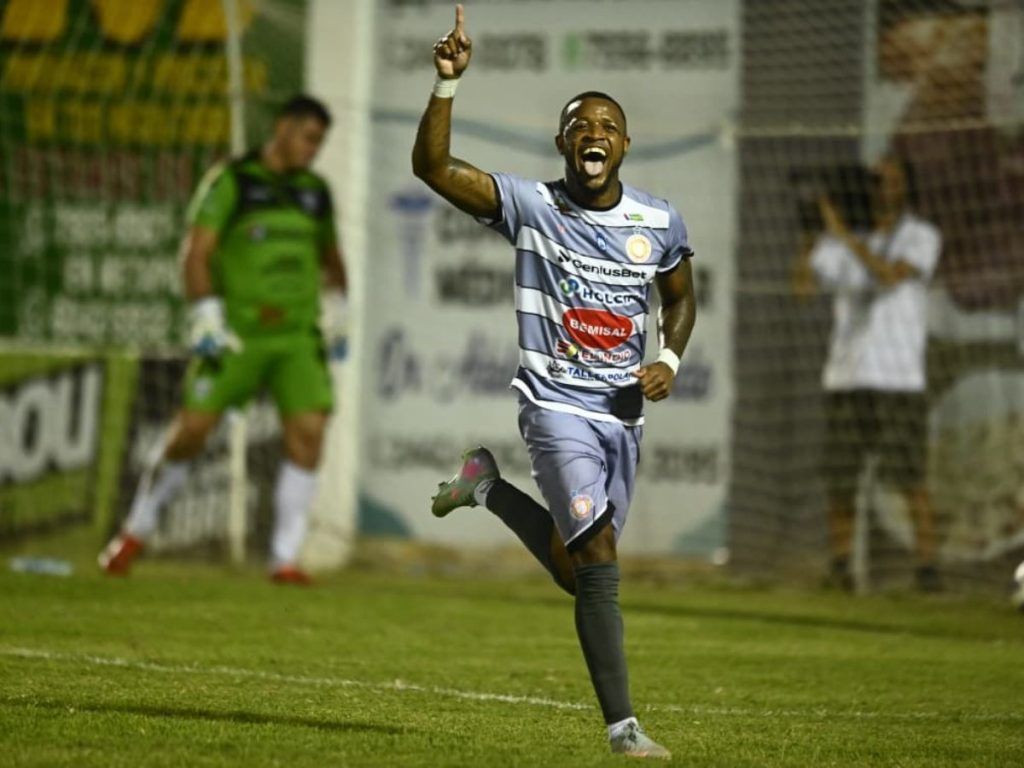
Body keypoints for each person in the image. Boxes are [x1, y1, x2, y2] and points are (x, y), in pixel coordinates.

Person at [412, 6, 695, 760]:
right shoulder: (533, 206)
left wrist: (668, 359)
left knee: (579, 571)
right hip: (554, 404)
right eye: (578, 123)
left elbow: (681, 297)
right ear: (563, 143)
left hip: (623, 415)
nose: (592, 130)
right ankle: (624, 729)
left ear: (623, 143)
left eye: (605, 123)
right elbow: (434, 171)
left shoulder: (658, 220)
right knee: (599, 555)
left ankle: (486, 488)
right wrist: (446, 87)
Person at [98, 95, 349, 585]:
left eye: (320, 142)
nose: (313, 150)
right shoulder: (232, 181)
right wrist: (206, 317)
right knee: (192, 429)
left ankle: (285, 559)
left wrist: (340, 309)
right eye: (309, 138)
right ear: (282, 127)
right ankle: (134, 530)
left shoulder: (314, 192)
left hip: (297, 336)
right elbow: (196, 252)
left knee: (309, 433)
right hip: (238, 334)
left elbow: (331, 257)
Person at [792, 154, 943, 592]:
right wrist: (811, 233)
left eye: (893, 179)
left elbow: (892, 277)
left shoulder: (920, 235)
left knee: (910, 479)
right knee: (841, 480)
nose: (884, 188)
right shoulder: (841, 239)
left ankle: (927, 570)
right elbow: (802, 288)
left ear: (907, 186)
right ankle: (840, 568)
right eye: (877, 180)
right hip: (846, 376)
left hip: (899, 378)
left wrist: (842, 235)